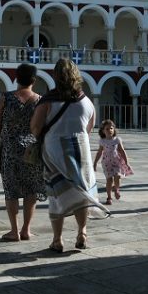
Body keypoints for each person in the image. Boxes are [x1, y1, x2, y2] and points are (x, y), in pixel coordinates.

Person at [32, 58, 108, 252]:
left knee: (57, 193)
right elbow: (90, 127)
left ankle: (57, 240)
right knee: (81, 190)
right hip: (80, 149)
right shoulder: (86, 101)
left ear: (55, 76)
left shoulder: (48, 100)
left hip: (54, 152)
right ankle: (82, 232)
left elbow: (35, 128)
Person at [0, 63, 44, 241]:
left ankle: (14, 231)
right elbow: (40, 127)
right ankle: (26, 230)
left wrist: (7, 138)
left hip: (10, 150)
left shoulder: (6, 98)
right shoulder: (39, 100)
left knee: (11, 190)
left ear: (16, 78)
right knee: (31, 190)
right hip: (31, 151)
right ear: (34, 80)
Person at [93, 119, 133, 205]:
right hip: (107, 163)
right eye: (107, 129)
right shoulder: (102, 141)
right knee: (109, 180)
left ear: (114, 129)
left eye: (111, 128)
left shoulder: (117, 140)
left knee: (118, 176)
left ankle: (117, 189)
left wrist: (127, 162)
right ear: (103, 131)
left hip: (116, 162)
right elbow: (99, 152)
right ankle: (109, 197)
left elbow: (122, 151)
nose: (109, 130)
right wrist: (95, 163)